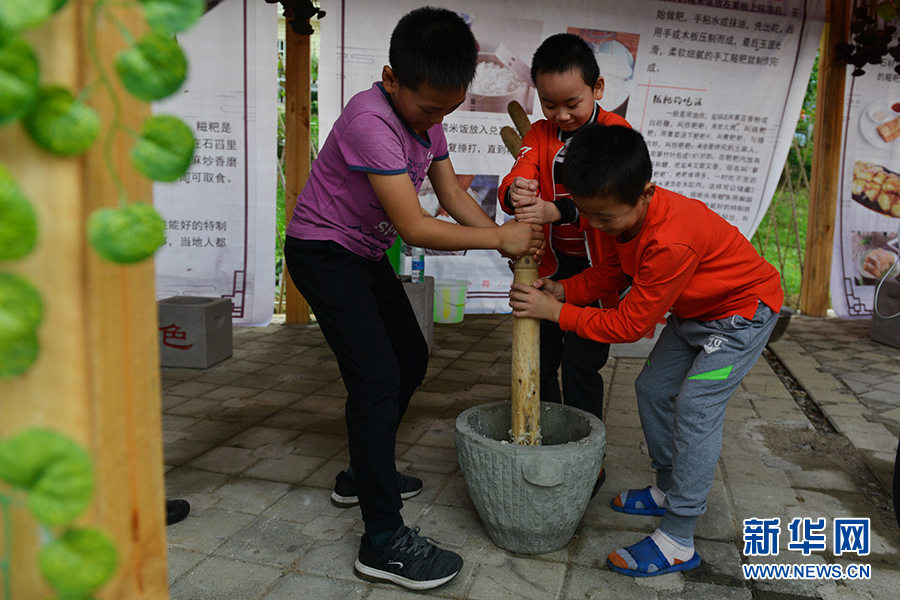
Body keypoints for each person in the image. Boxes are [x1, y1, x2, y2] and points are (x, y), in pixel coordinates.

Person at [283, 7, 542, 591]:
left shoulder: (428, 114)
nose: (438, 118)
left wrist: (509, 249)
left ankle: (362, 474)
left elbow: (450, 194)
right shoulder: (369, 120)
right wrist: (500, 236)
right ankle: (381, 540)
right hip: (322, 252)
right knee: (375, 378)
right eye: (430, 107)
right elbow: (417, 227)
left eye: (448, 108)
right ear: (392, 77)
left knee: (411, 357)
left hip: (360, 253)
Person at [509, 124, 783, 577]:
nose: (597, 228)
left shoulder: (672, 238)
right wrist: (562, 289)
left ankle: (678, 536)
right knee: (654, 388)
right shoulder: (617, 213)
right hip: (694, 314)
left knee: (696, 406)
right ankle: (667, 488)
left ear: (646, 193)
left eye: (605, 220)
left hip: (740, 319)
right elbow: (612, 275)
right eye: (588, 217)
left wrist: (555, 313)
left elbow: (630, 324)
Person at [499, 33, 631, 496]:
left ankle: (587, 456)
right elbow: (521, 169)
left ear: (597, 88)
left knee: (581, 365)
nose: (560, 115)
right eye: (549, 104)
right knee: (542, 356)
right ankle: (548, 438)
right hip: (550, 270)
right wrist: (515, 189)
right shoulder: (539, 133)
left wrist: (561, 210)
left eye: (571, 102)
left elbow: (614, 198)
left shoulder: (618, 136)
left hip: (599, 277)